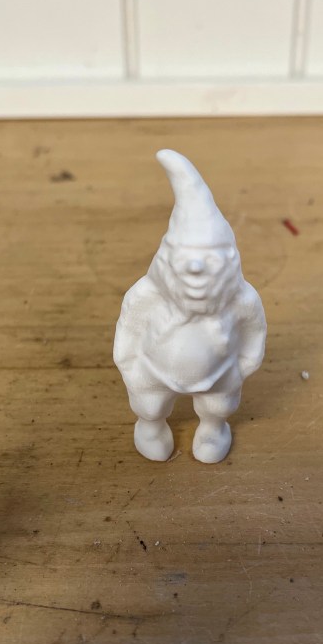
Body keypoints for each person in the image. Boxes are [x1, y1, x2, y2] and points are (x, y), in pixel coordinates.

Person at [114, 149, 266, 463]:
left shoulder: (241, 299)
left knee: (218, 406)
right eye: (186, 259)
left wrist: (243, 367)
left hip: (219, 374)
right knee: (149, 405)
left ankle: (213, 429)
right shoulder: (147, 294)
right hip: (153, 370)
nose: (196, 268)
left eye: (208, 259)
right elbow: (128, 328)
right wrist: (128, 364)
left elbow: (254, 332)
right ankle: (150, 427)